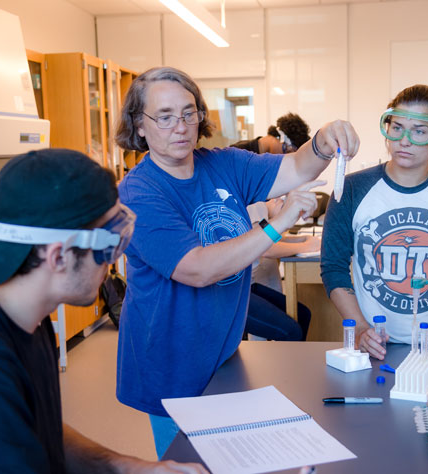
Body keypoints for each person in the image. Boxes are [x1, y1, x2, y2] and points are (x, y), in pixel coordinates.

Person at [0, 148, 207, 474]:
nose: (112, 262)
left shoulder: (28, 317)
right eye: (109, 245)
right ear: (58, 257)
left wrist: (130, 468)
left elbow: (38, 429)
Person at [115, 66, 358, 457]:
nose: (180, 126)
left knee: (232, 459)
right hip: (170, 363)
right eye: (164, 116)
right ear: (139, 126)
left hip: (222, 354)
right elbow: (197, 268)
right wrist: (276, 226)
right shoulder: (138, 192)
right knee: (189, 465)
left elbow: (296, 167)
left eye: (189, 112)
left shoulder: (222, 163)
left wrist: (323, 142)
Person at [321, 84, 428, 361]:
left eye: (419, 131)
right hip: (376, 344)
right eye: (397, 127)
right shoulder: (352, 189)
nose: (405, 140)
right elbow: (333, 267)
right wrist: (361, 328)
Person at [245, 198, 317, 341]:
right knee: (292, 331)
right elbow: (266, 248)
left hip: (249, 286)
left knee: (303, 314)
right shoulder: (257, 207)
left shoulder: (262, 214)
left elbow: (273, 238)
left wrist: (303, 239)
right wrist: (305, 247)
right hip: (239, 291)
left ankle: (292, 361)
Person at [231, 112, 311, 154]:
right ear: (278, 137)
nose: (285, 156)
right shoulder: (238, 152)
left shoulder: (267, 161)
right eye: (286, 150)